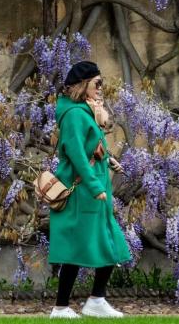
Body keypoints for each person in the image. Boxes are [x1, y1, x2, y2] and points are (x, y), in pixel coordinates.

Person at [48, 60, 131, 318]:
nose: (101, 88)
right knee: (77, 246)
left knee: (110, 242)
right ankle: (60, 307)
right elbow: (75, 154)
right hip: (82, 191)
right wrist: (95, 186)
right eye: (97, 83)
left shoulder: (84, 112)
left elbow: (90, 147)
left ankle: (96, 300)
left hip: (93, 188)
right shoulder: (74, 115)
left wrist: (108, 159)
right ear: (83, 86)